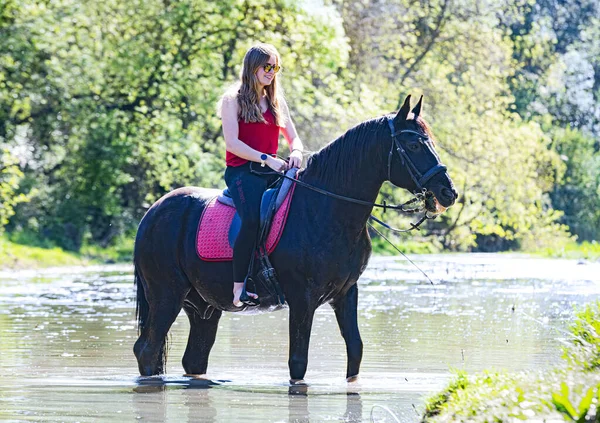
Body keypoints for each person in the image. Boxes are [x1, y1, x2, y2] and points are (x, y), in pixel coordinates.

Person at [218, 43, 304, 307]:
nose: (271, 72)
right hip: (243, 172)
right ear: (252, 66)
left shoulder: (277, 101)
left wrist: (297, 152)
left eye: (275, 67)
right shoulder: (232, 99)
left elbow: (294, 137)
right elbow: (232, 143)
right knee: (252, 220)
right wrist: (268, 159)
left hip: (273, 170)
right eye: (267, 66)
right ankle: (239, 288)